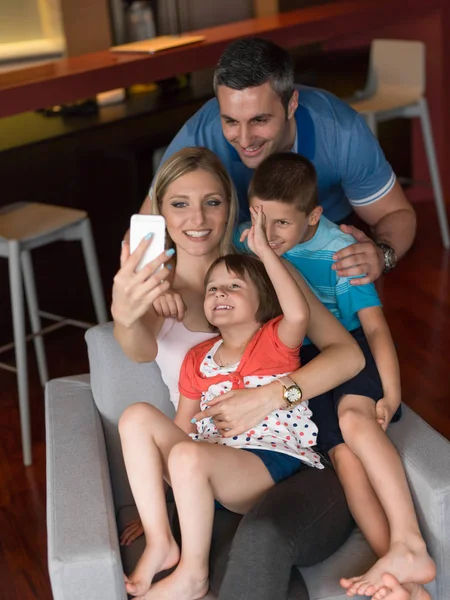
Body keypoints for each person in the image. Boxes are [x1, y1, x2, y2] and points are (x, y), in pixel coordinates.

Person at [112, 146, 365, 600]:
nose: (198, 218)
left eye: (213, 201)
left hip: (283, 455)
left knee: (258, 550)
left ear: (232, 206)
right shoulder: (156, 289)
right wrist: (125, 312)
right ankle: (168, 548)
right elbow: (137, 348)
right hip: (208, 459)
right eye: (179, 203)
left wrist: (269, 397)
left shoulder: (265, 274)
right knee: (140, 421)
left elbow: (348, 356)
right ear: (159, 212)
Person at [234, 152, 435, 599]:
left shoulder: (339, 251)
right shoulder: (250, 242)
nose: (268, 235)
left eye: (282, 224)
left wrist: (392, 394)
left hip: (350, 350)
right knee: (343, 459)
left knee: (355, 422)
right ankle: (400, 572)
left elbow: (376, 328)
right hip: (303, 364)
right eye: (260, 219)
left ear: (314, 215)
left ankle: (410, 539)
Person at [137, 37, 416, 286]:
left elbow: (395, 213)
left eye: (259, 120)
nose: (245, 139)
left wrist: (383, 254)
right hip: (237, 251)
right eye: (231, 121)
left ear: (291, 105)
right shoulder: (199, 134)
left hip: (323, 247)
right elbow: (144, 227)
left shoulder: (341, 131)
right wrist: (158, 286)